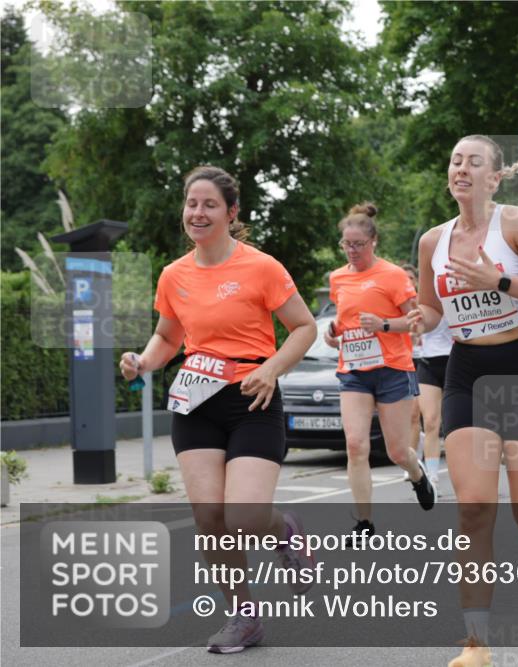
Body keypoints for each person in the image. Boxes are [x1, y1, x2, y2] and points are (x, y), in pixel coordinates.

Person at [119, 166, 317, 653]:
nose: (198, 213)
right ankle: (243, 617)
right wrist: (142, 361)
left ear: (231, 213)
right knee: (211, 516)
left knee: (245, 516)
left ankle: (285, 530)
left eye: (209, 205)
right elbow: (169, 336)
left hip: (253, 396)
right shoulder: (174, 274)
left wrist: (272, 369)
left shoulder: (262, 267)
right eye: (192, 204)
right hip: (196, 401)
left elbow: (304, 328)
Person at [406, 119, 518, 667]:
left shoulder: (516, 223)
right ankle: (476, 644)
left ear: (495, 178)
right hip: (468, 373)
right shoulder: (433, 240)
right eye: (455, 160)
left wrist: (499, 281)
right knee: (475, 508)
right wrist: (409, 320)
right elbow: (433, 309)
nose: (460, 168)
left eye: (473, 161)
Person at [324, 203, 437, 546]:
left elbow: (417, 321)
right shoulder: (337, 277)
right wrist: (332, 335)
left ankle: (418, 476)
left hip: (391, 369)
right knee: (355, 445)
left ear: (373, 241)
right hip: (354, 371)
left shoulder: (393, 275)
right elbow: (342, 324)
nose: (352, 250)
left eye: (358, 244)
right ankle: (364, 523)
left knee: (397, 452)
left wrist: (385, 324)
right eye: (346, 244)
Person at [407, 263, 451, 486]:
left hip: (455, 362)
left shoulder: (455, 299)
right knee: (431, 421)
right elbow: (416, 334)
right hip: (428, 363)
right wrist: (415, 327)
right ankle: (432, 475)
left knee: (456, 425)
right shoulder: (422, 304)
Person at [403, 263, 425, 478]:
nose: (407, 282)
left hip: (427, 360)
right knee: (412, 414)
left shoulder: (424, 304)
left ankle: (424, 441)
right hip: (407, 361)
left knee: (428, 413)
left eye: (410, 278)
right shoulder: (396, 305)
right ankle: (414, 460)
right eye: (404, 278)